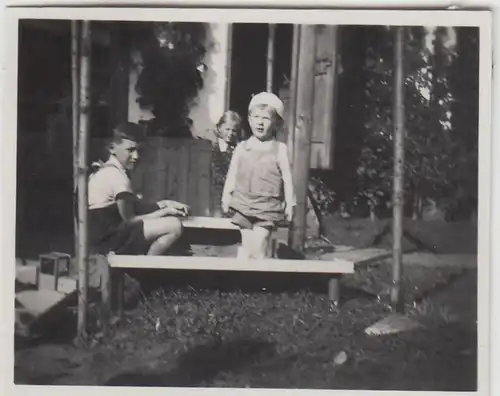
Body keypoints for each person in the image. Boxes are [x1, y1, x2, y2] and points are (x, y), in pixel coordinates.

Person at [88, 122, 189, 256]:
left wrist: (165, 204)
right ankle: (145, 268)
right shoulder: (117, 177)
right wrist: (164, 212)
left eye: (138, 151)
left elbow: (134, 206)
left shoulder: (110, 170)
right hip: (108, 239)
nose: (136, 156)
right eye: (130, 150)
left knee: (168, 222)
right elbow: (129, 220)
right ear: (112, 148)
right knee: (174, 226)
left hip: (106, 234)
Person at [221, 92, 296, 259]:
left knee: (260, 243)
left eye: (266, 118)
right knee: (247, 245)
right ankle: (242, 279)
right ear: (249, 120)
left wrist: (290, 203)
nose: (260, 122)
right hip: (243, 204)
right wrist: (226, 196)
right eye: (256, 117)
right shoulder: (242, 147)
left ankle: (258, 280)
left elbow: (287, 179)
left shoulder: (280, 149)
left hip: (267, 207)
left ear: (276, 123)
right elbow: (232, 174)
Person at [211, 110, 243, 217]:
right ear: (219, 128)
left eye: (234, 130)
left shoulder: (239, 148)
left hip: (235, 195)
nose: (230, 133)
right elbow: (215, 172)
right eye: (227, 129)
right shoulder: (214, 148)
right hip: (216, 193)